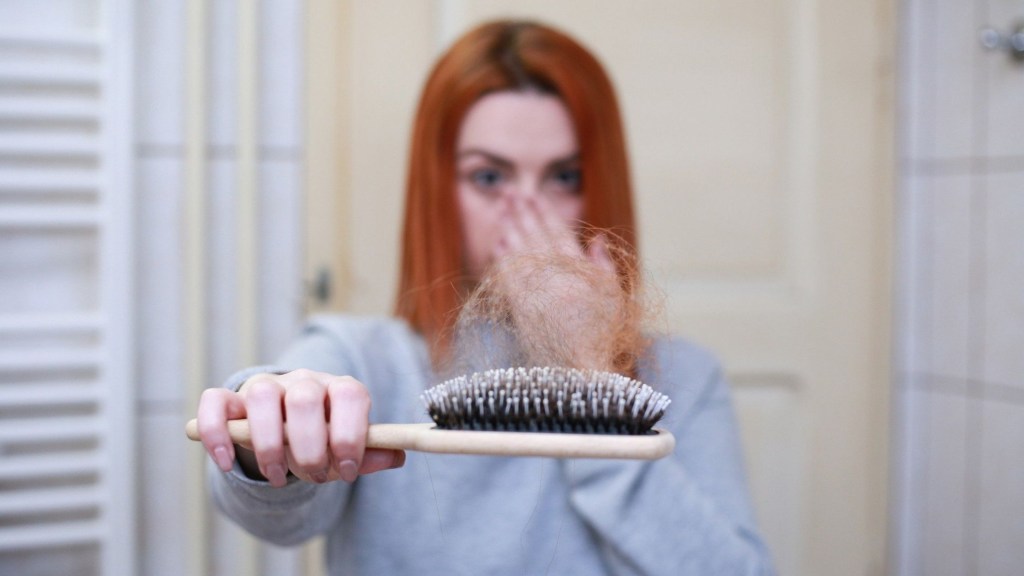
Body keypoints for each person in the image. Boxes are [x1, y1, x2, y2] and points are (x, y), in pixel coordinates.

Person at [196, 20, 775, 575]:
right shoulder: (364, 359)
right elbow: (274, 512)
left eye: (565, 177)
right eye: (490, 178)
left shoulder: (686, 380)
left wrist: (592, 379)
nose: (530, 212)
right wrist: (269, 430)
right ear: (438, 188)